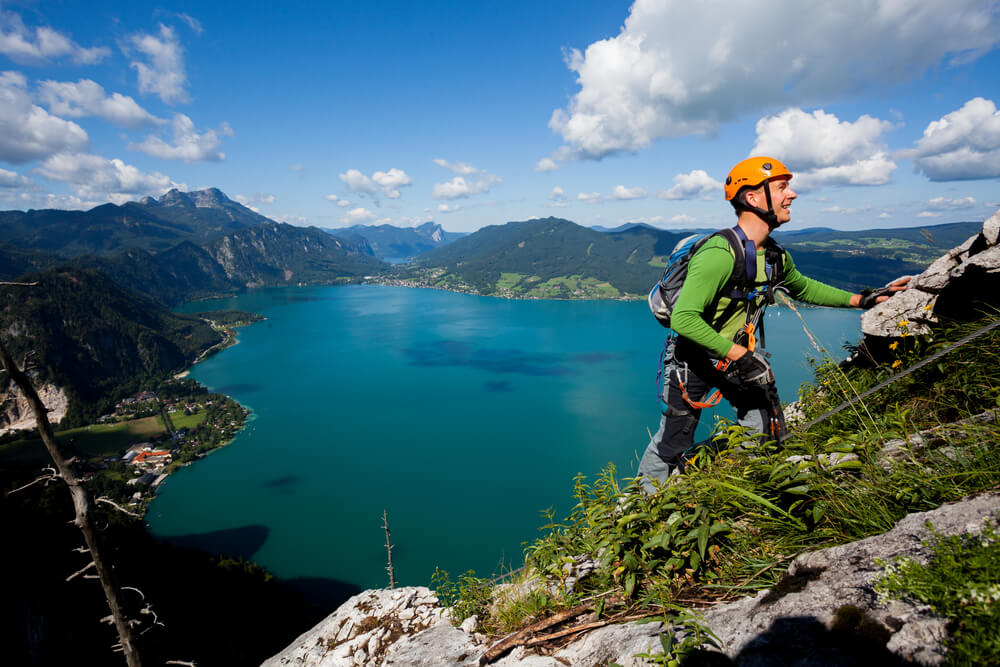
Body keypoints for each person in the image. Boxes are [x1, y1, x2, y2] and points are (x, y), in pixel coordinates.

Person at [636, 156, 908, 491]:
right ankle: (639, 505)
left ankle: (743, 489)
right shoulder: (719, 253)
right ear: (753, 198)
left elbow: (805, 287)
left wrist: (863, 299)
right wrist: (744, 357)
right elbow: (685, 319)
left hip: (735, 358)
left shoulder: (775, 255)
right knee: (672, 442)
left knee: (763, 428)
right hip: (694, 359)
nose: (791, 194)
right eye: (781, 187)